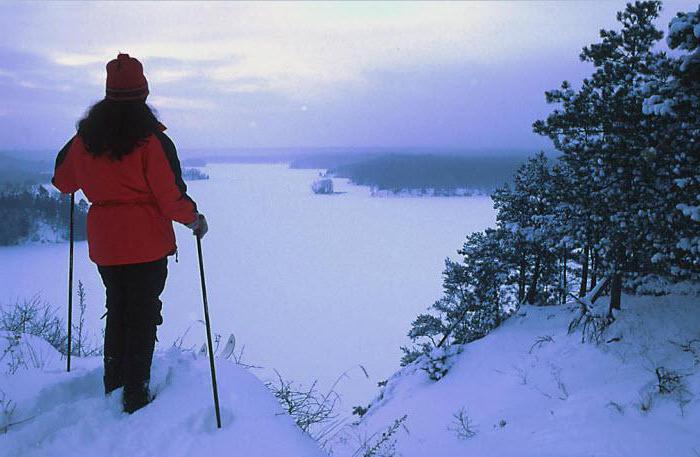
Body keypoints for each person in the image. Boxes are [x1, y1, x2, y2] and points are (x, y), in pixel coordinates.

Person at [52, 53, 208, 414]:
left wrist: (79, 138)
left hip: (106, 244)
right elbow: (170, 197)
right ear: (143, 93)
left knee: (118, 306)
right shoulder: (152, 141)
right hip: (146, 243)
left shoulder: (86, 140)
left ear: (108, 93)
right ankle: (135, 393)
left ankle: (114, 383)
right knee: (142, 312)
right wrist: (195, 220)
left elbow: (63, 181)